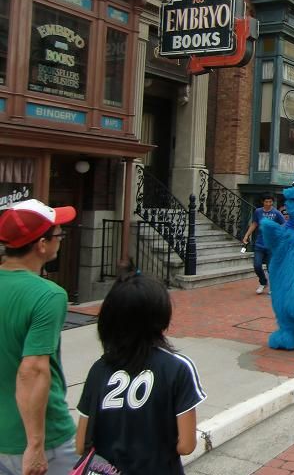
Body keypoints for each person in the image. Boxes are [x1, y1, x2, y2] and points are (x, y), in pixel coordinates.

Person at [75, 276, 206, 473]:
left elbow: (80, 445)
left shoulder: (99, 369)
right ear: (160, 317)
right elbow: (186, 445)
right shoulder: (177, 367)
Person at [0, 199, 79, 475]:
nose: (61, 239)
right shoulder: (49, 295)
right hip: (45, 437)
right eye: (58, 234)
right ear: (41, 244)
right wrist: (35, 445)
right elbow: (32, 370)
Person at [242, 195, 285, 294]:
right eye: (266, 202)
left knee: (271, 268)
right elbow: (254, 224)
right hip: (259, 244)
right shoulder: (258, 212)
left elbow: (284, 224)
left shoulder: (276, 213)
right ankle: (263, 282)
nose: (268, 204)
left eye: (270, 202)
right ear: (263, 202)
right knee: (257, 265)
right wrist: (246, 235)